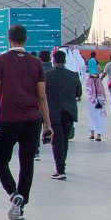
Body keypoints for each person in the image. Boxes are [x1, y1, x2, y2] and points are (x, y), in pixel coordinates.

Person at [0, 24, 53, 220]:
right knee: (27, 163)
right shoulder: (36, 63)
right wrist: (48, 125)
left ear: (9, 40)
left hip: (7, 118)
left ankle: (13, 193)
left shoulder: (0, 61)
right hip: (32, 119)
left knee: (1, 160)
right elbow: (42, 95)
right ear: (26, 40)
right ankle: (21, 204)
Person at [45, 50, 83, 180]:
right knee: (64, 139)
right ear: (65, 61)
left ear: (53, 61)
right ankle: (62, 164)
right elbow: (79, 93)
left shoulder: (47, 76)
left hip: (54, 112)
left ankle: (60, 169)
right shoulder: (73, 75)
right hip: (69, 111)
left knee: (57, 140)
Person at [85, 72, 107, 141]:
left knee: (96, 118)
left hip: (96, 101)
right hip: (96, 101)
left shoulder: (91, 82)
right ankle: (94, 134)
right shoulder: (97, 83)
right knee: (95, 118)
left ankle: (97, 134)